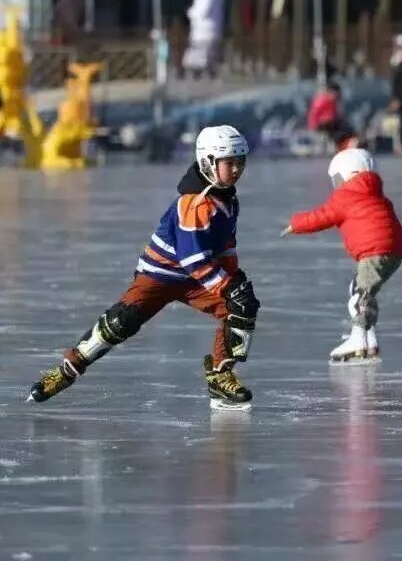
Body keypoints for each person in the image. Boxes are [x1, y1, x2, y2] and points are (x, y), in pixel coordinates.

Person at [27, 125, 261, 411]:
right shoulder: (195, 203)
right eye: (229, 163)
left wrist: (234, 278)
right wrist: (227, 284)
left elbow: (225, 246)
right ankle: (67, 370)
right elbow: (193, 259)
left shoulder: (227, 199)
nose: (236, 169)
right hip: (160, 275)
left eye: (240, 162)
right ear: (208, 162)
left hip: (196, 280)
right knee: (121, 321)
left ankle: (221, 376)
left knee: (241, 307)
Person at [280, 148, 402, 362]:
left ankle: (359, 340)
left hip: (374, 253)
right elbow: (399, 231)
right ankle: (369, 339)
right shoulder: (379, 199)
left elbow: (321, 217)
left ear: (346, 175)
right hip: (394, 254)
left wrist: (296, 223)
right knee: (359, 290)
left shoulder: (346, 197)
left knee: (359, 298)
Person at [183, 0, 224, 80]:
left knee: (198, 58)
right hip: (212, 30)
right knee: (207, 56)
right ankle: (210, 75)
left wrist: (190, 13)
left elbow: (201, 11)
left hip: (203, 31)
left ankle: (200, 76)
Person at [307, 79, 358, 150]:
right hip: (323, 125)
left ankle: (347, 146)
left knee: (348, 131)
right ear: (330, 91)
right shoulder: (321, 100)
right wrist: (313, 127)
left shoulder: (335, 102)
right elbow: (313, 115)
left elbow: (339, 116)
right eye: (335, 93)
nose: (337, 95)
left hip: (332, 124)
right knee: (334, 128)